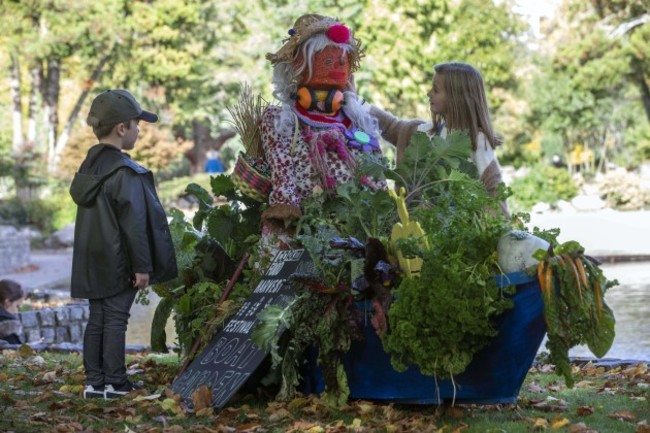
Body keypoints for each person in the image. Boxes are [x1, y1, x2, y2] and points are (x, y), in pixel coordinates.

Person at [70, 89, 177, 399]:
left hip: (93, 261)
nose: (139, 129)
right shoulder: (125, 172)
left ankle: (94, 382)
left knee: (98, 320)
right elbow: (134, 226)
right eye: (136, 124)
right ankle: (116, 383)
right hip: (120, 261)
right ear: (121, 128)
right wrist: (142, 267)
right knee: (116, 319)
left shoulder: (88, 170)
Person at [259, 13, 385, 248]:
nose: (337, 69)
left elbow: (376, 170)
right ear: (300, 67)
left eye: (342, 62)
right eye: (327, 62)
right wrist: (286, 216)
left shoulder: (359, 120)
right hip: (305, 231)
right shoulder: (282, 120)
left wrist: (384, 208)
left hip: (360, 228)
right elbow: (282, 173)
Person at [370, 62, 510, 218]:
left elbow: (494, 194)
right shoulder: (427, 132)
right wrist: (357, 104)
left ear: (456, 97)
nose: (429, 93)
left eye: (435, 90)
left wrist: (466, 219)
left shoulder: (477, 140)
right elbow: (392, 126)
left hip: (458, 236)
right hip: (419, 232)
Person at [0, 279, 25, 345]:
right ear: (7, 302)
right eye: (17, 306)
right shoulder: (8, 323)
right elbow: (14, 350)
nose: (16, 311)